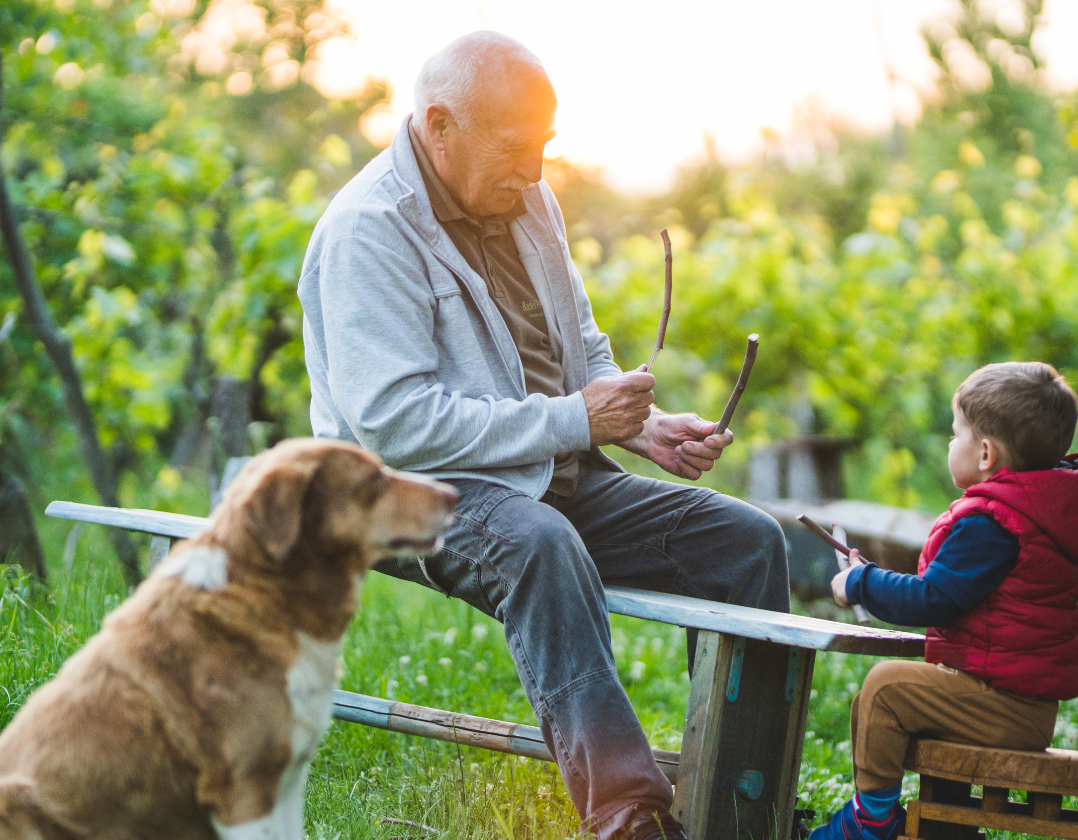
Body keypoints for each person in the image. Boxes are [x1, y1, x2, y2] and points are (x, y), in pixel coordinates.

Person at [297, 31, 790, 840]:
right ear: (440, 124)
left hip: (548, 475)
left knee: (748, 544)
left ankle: (745, 807)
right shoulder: (368, 230)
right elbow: (395, 425)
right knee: (541, 544)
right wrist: (573, 420)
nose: (534, 172)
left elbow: (578, 344)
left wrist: (647, 431)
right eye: (516, 150)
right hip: (407, 493)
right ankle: (628, 817)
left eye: (544, 149)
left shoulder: (529, 199)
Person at [809, 362, 1078, 840]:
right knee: (907, 689)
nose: (951, 444)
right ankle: (946, 827)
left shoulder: (993, 523)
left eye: (956, 435)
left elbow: (935, 600)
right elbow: (958, 594)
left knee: (887, 689)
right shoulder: (1029, 512)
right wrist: (875, 576)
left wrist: (861, 584)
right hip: (1018, 702)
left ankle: (871, 821)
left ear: (986, 453)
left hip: (1004, 706)